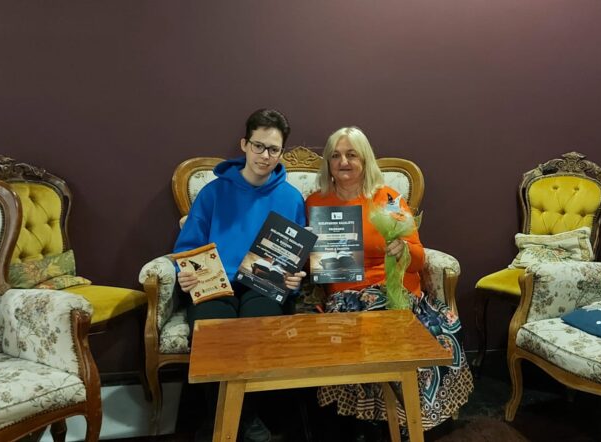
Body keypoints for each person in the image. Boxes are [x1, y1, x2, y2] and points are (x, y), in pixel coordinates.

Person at [306, 127, 473, 435]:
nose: (344, 162)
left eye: (352, 154)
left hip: (398, 293)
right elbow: (309, 260)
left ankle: (415, 419)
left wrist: (404, 250)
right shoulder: (315, 202)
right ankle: (378, 419)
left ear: (365, 159)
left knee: (440, 331)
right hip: (347, 297)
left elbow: (419, 258)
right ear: (328, 163)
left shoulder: (389, 199)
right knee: (378, 331)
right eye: (336, 156)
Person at [173, 108, 306, 442]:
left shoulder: (291, 198)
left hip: (263, 286)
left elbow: (295, 259)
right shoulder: (213, 192)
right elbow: (188, 247)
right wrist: (184, 274)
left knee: (257, 329)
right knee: (212, 334)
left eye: (273, 149)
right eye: (259, 146)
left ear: (281, 153)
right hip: (215, 283)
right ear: (244, 145)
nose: (265, 156)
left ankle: (235, 420)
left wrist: (294, 281)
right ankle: (234, 420)